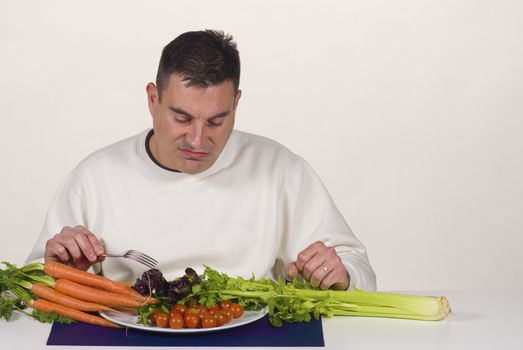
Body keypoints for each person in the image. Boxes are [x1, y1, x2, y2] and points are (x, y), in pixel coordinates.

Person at [27, 30, 376, 291]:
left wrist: (341, 275)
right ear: (153, 99)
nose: (197, 140)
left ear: (236, 104)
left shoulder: (281, 170)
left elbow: (358, 270)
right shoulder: (93, 178)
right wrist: (57, 269)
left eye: (216, 121)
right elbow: (29, 287)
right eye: (182, 118)